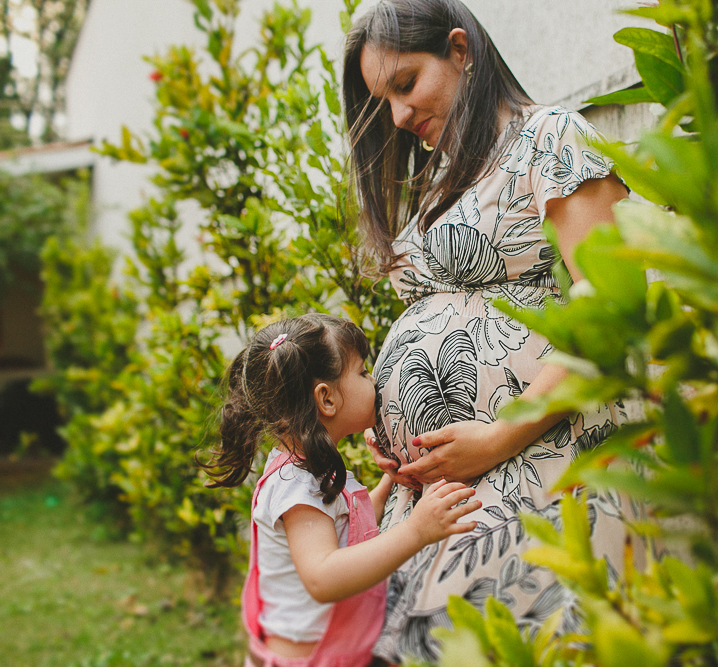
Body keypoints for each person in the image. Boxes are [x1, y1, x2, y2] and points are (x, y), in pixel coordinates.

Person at [343, 0, 644, 663]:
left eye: (405, 84)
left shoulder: (552, 138)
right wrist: (393, 419)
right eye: (380, 99)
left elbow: (614, 304)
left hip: (543, 461)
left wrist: (500, 433)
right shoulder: (442, 175)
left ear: (460, 49)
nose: (395, 116)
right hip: (449, 488)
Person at [201, 313, 481, 667]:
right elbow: (323, 577)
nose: (374, 381)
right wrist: (416, 530)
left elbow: (349, 529)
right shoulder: (295, 486)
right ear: (327, 399)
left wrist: (389, 483)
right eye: (363, 372)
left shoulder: (308, 467)